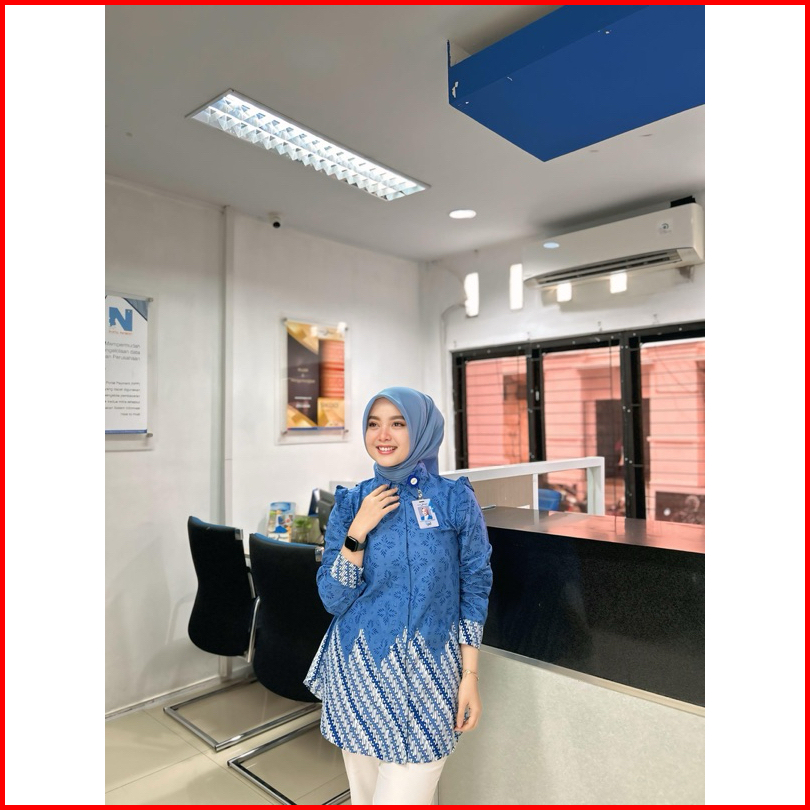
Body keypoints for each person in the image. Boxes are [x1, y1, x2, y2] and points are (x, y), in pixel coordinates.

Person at [305, 386, 493, 805]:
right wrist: (359, 529)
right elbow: (333, 599)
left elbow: (475, 587)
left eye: (398, 423)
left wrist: (470, 676)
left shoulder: (454, 500)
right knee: (364, 798)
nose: (383, 435)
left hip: (431, 680)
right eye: (373, 424)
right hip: (359, 676)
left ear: (422, 430)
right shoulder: (352, 502)